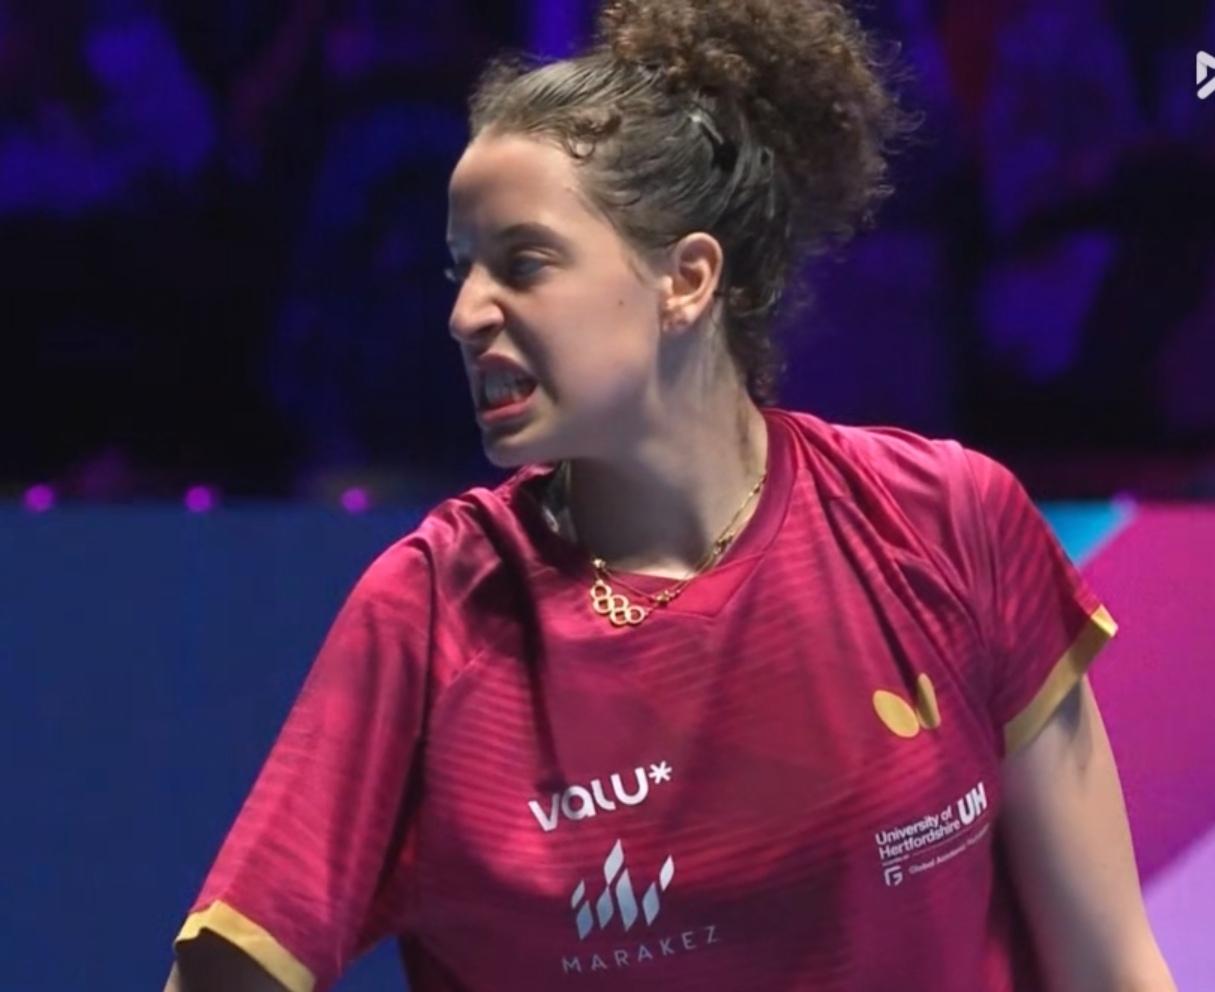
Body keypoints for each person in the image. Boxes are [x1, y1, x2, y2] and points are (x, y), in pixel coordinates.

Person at [164, 1, 1177, 989]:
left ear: (686, 279)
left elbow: (1111, 969)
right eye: (462, 270)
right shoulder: (433, 615)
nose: (467, 314)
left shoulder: (944, 520)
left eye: (523, 263)